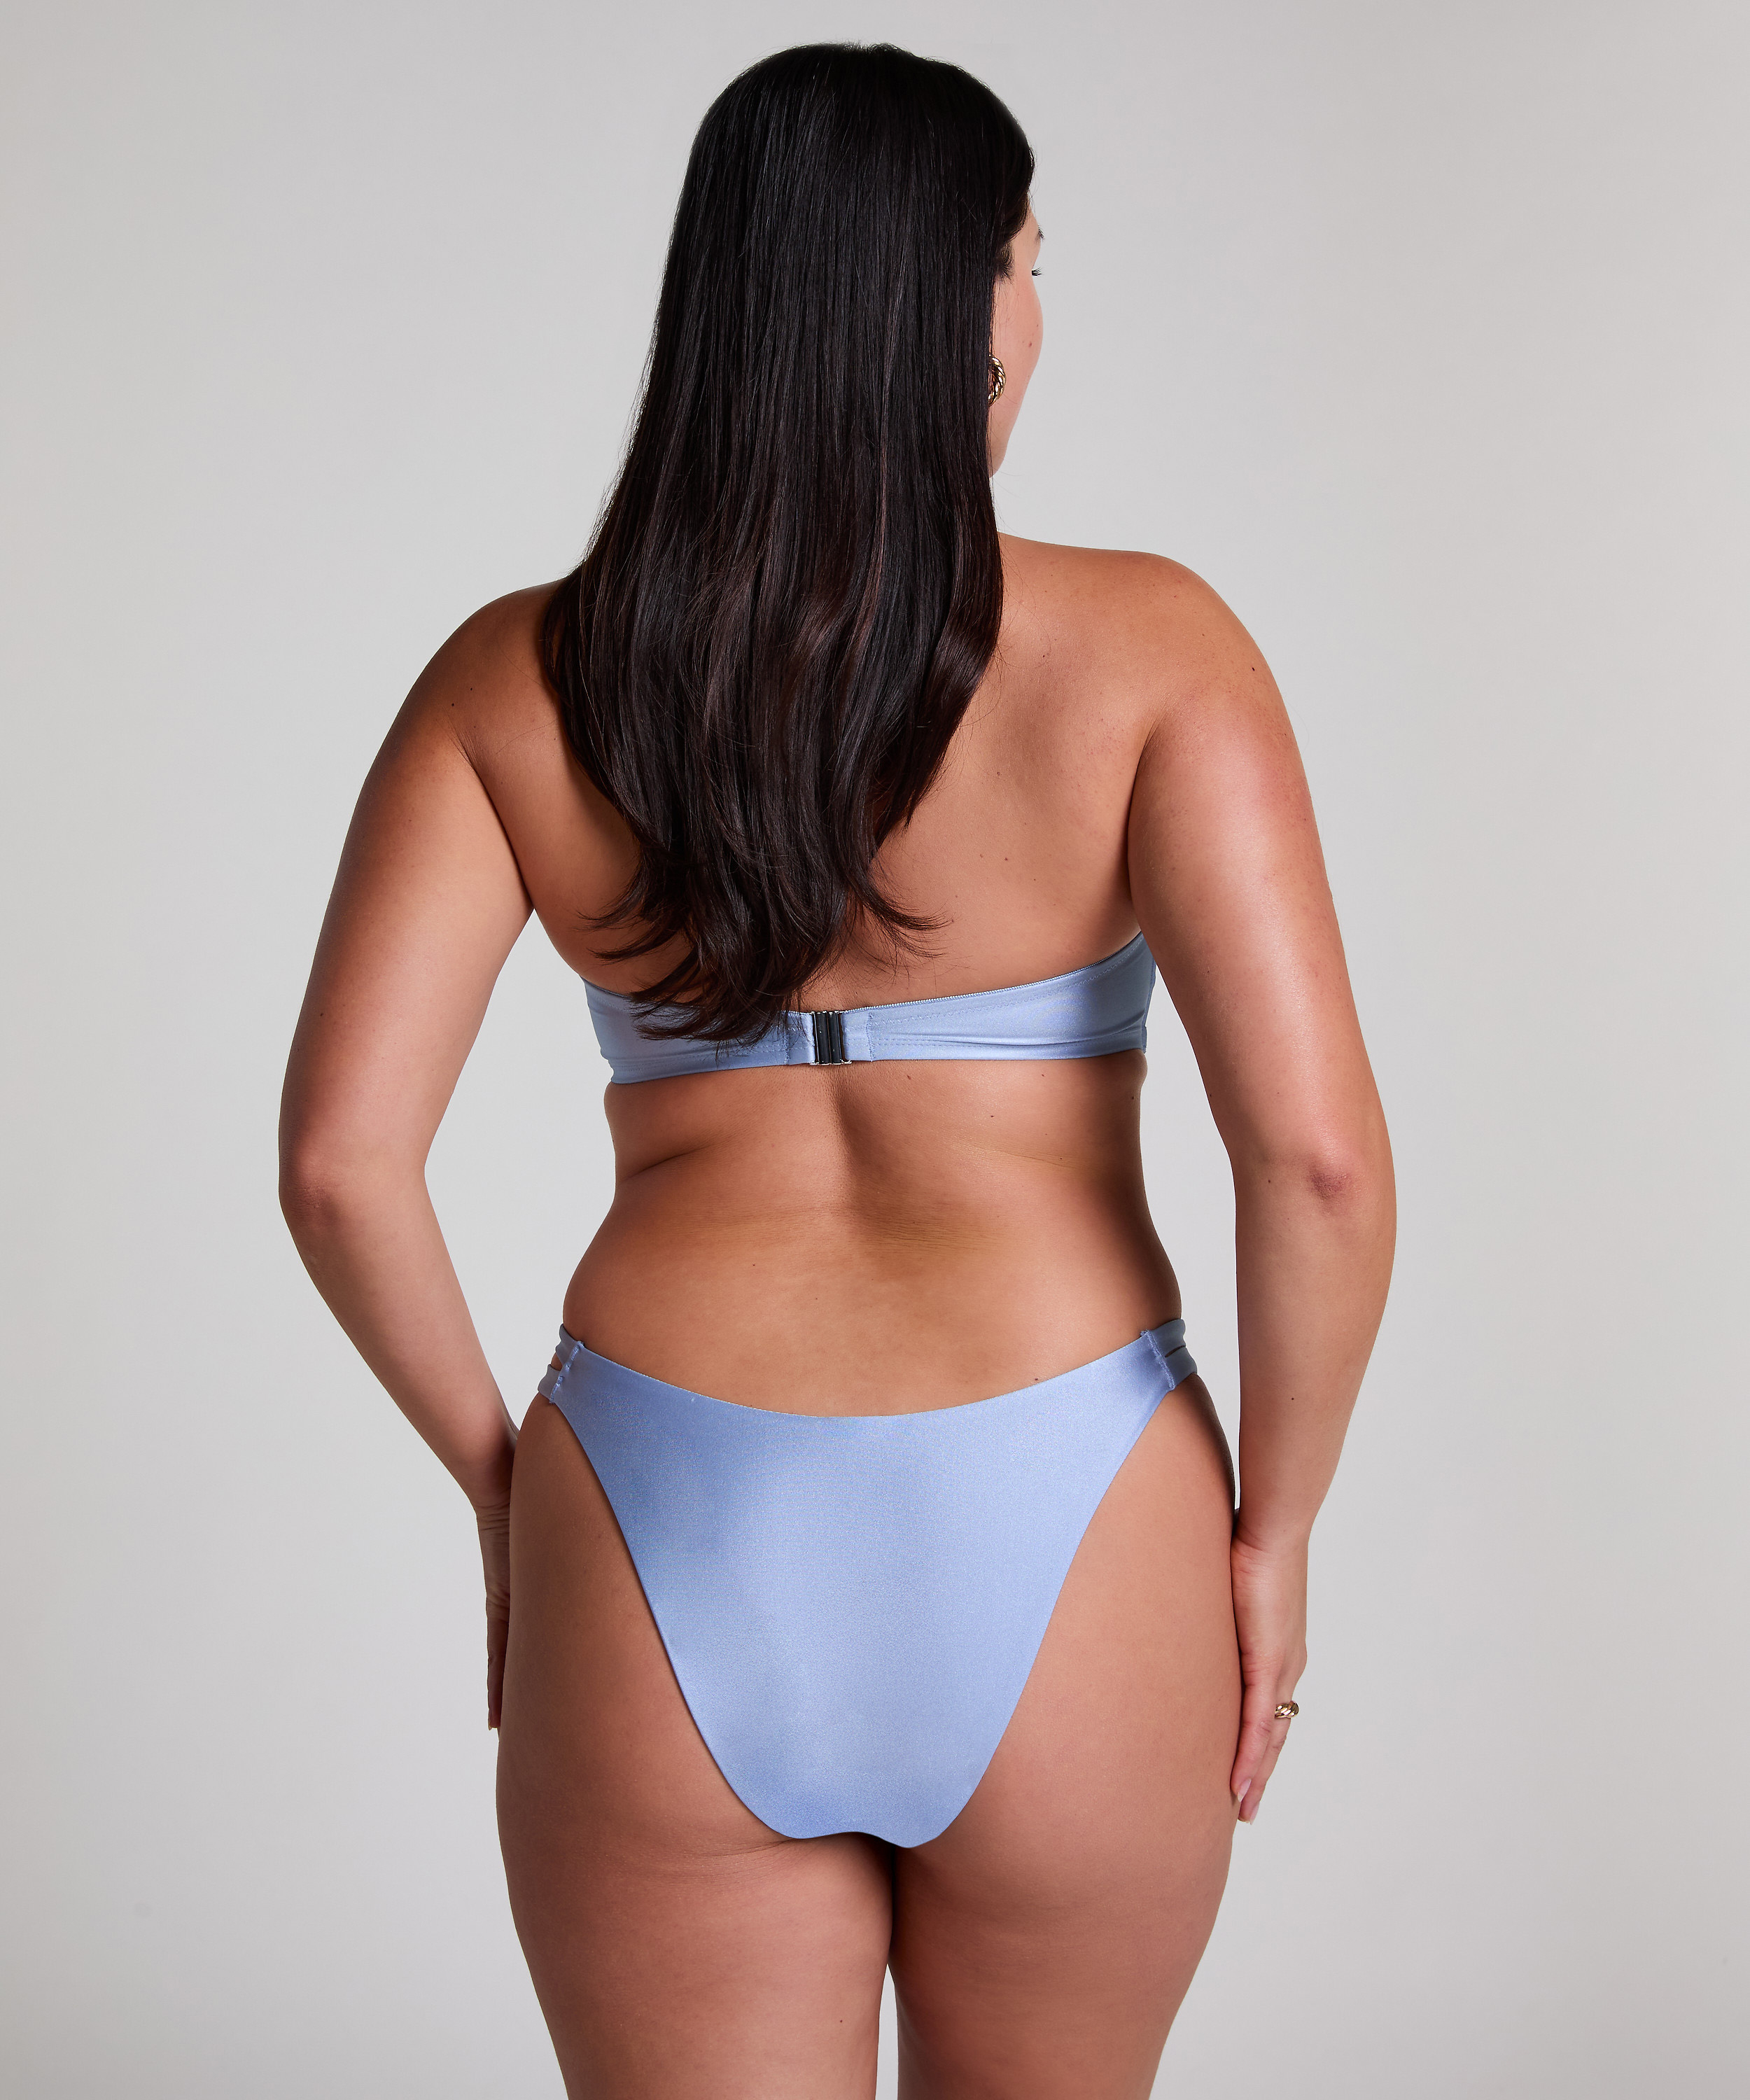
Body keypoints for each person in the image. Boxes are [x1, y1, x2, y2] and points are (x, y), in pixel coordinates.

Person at [279, 41, 1394, 2100]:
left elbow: (343, 1167)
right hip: (1075, 1506)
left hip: (658, 1501)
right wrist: (1279, 1530)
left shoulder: (518, 680)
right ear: (954, 303)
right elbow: (1315, 1162)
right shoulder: (1156, 651)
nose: (1034, 309)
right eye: (1026, 259)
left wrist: (506, 1493)